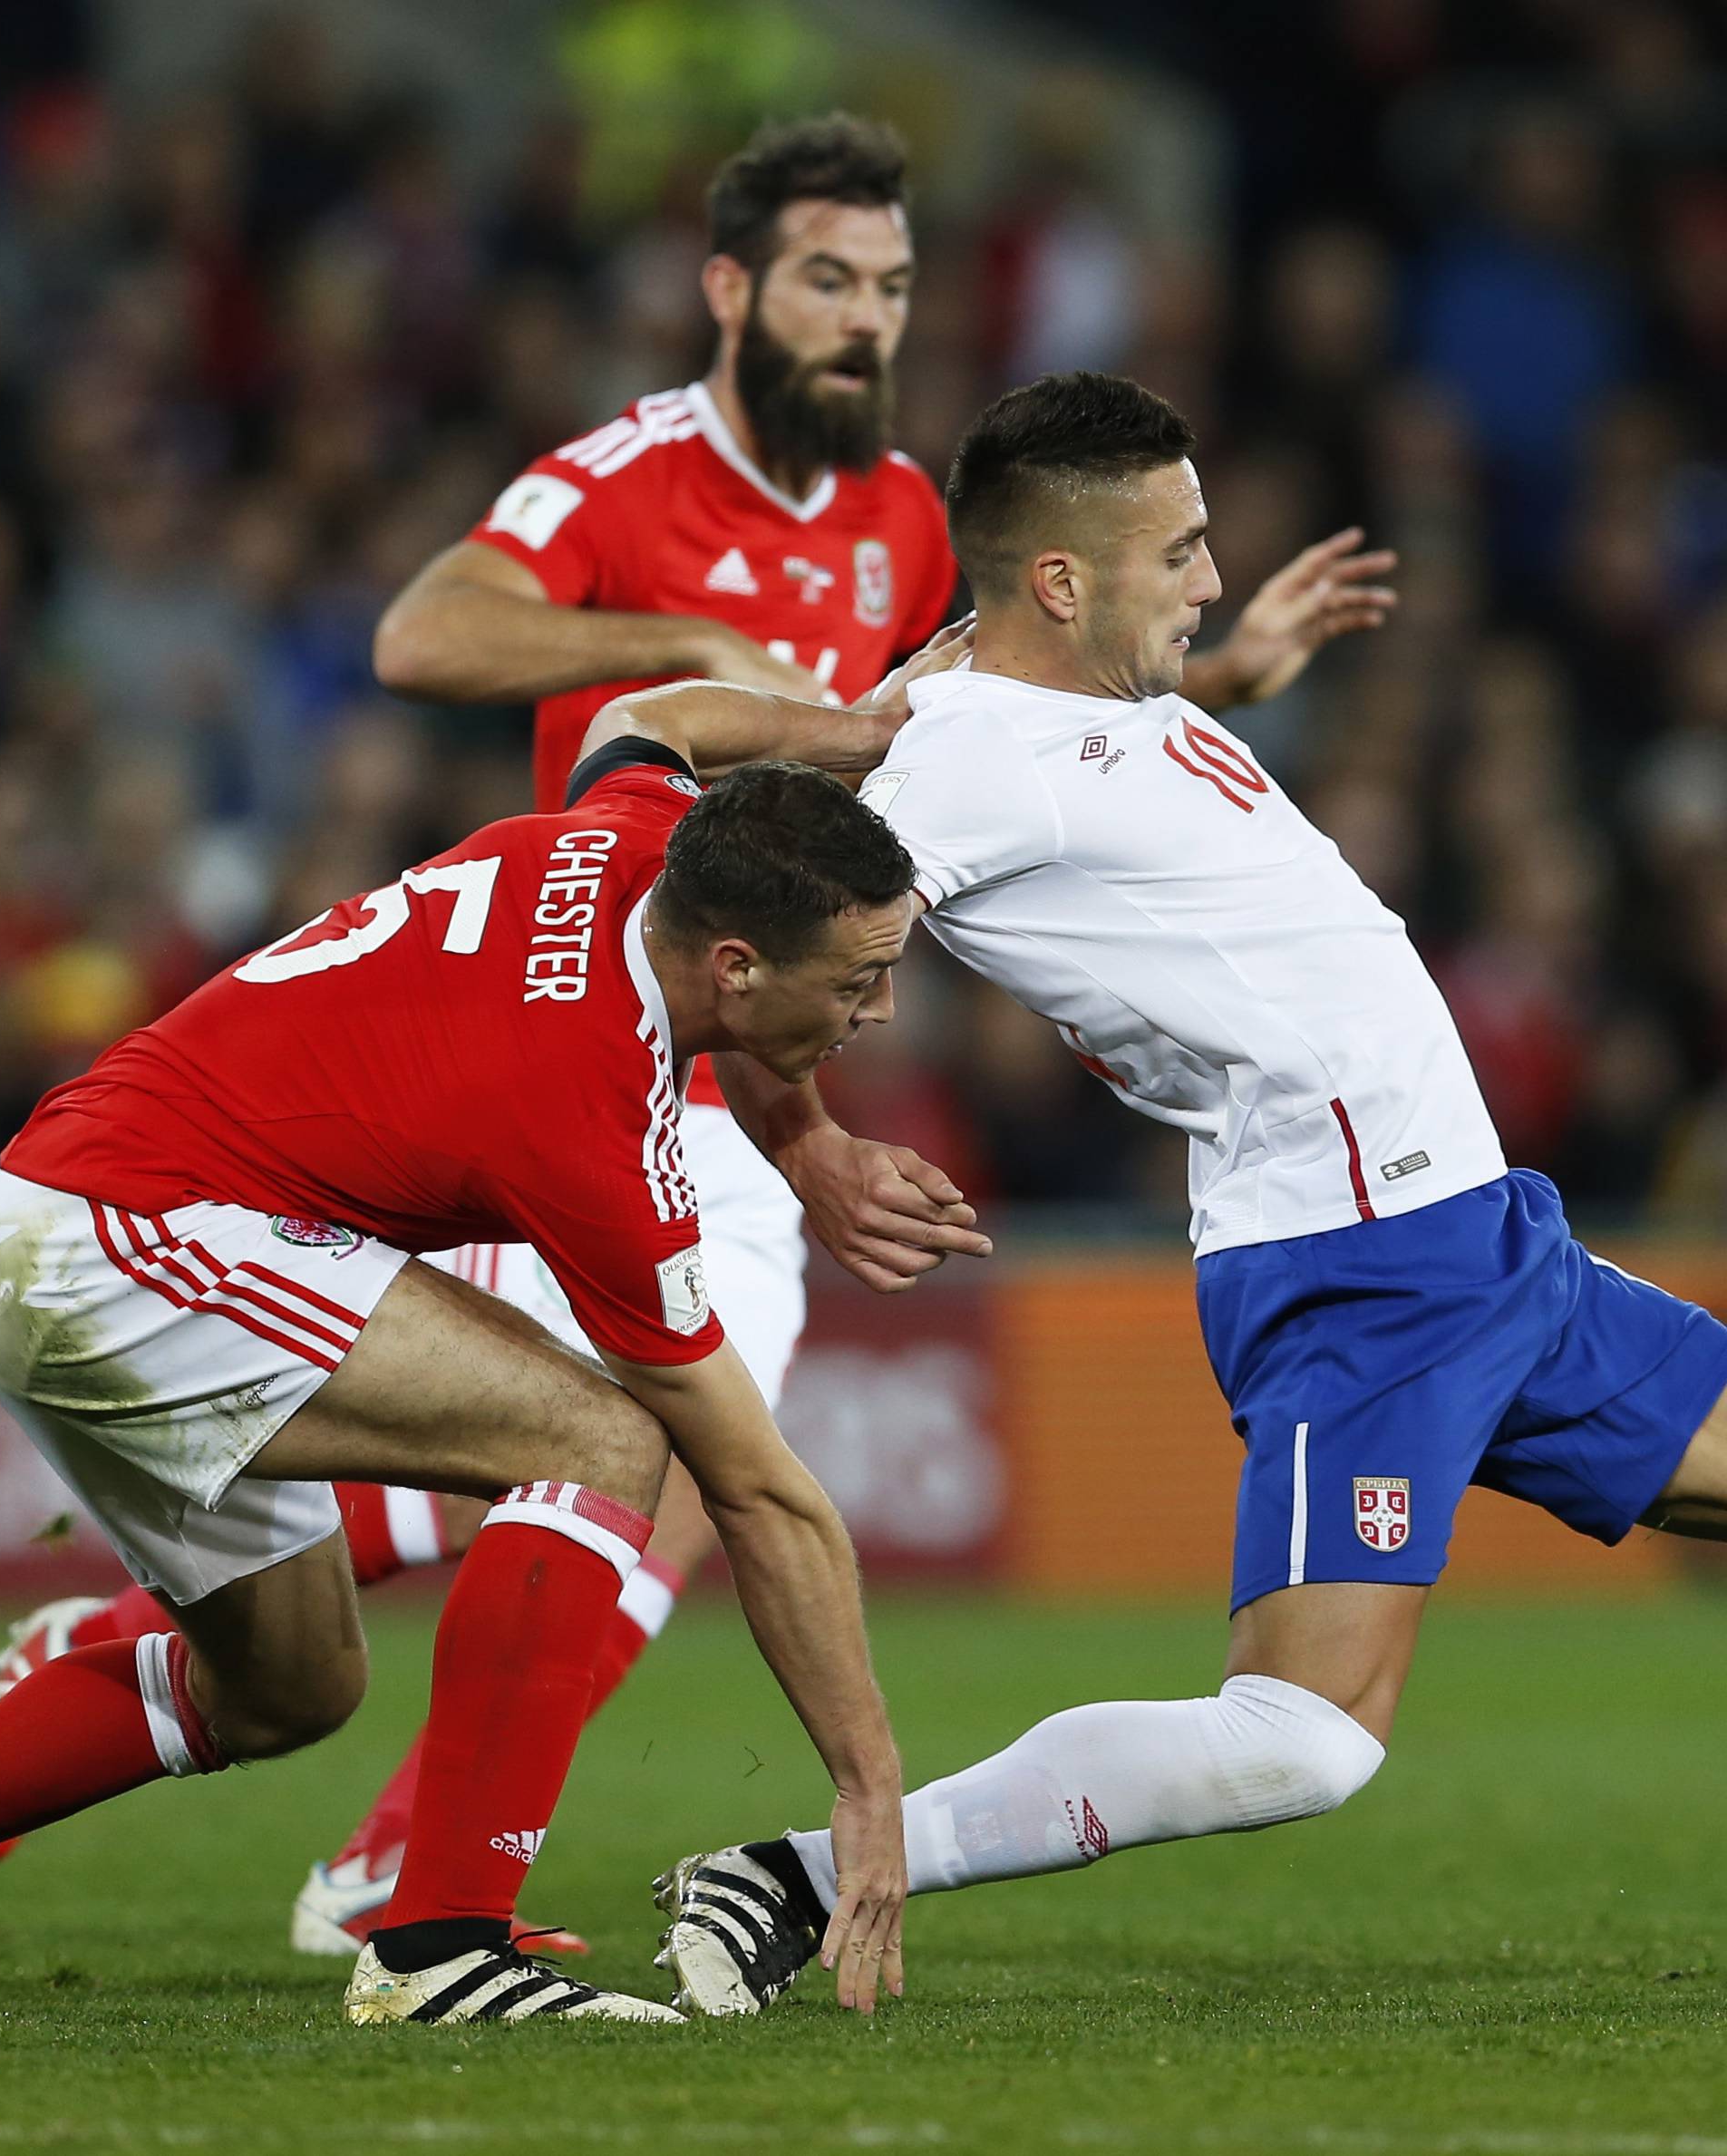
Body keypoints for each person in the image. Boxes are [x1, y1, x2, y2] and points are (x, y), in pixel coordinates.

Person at [0, 112, 1396, 1947]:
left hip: (667, 1032)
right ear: (733, 287)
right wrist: (685, 648)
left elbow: (935, 723)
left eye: (892, 286)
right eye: (829, 277)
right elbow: (433, 639)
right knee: (639, 1446)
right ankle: (415, 1900)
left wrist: (1213, 672)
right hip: (560, 1050)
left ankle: (278, 1768)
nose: (864, 320)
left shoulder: (899, 512)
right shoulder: (624, 473)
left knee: (478, 1539)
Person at [629, 371, 1727, 2017]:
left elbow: (1081, 749)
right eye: (1184, 551)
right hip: (1361, 1268)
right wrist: (808, 1141)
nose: (1211, 575)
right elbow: (750, 954)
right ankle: (786, 1876)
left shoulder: (1053, 699)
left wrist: (1247, 662)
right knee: (1301, 1742)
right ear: (1061, 581)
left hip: (1485, 1233)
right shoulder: (956, 764)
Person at [0, 662, 963, 2026]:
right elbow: (754, 1486)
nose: (882, 1013)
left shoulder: (633, 834)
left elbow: (655, 717)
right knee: (611, 1437)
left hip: (81, 1211)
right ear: (735, 968)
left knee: (289, 1684)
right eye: (863, 976)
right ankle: (442, 1944)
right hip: (122, 1237)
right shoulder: (584, 1097)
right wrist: (868, 1787)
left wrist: (855, 732)